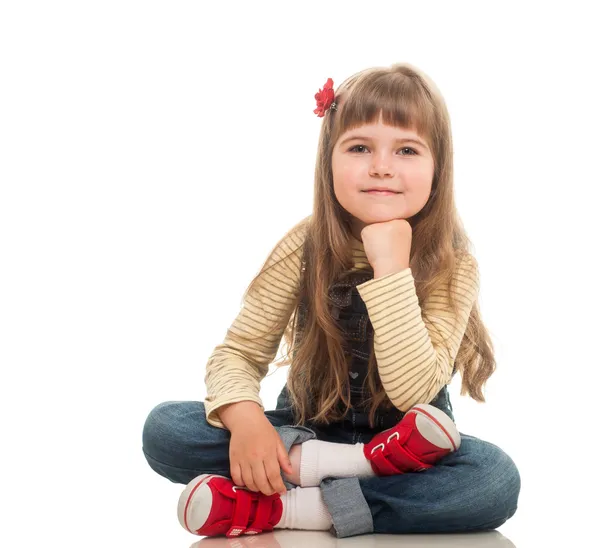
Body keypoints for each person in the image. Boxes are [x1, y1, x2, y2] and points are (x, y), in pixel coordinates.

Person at [142, 62, 521, 539]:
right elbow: (238, 351)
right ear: (329, 161)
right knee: (167, 430)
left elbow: (413, 393)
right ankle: (341, 471)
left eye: (406, 150)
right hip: (305, 430)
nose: (381, 166)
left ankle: (287, 509)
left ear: (437, 169)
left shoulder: (453, 264)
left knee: (492, 480)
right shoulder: (304, 246)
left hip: (408, 449)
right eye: (360, 148)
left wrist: (391, 270)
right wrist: (246, 422)